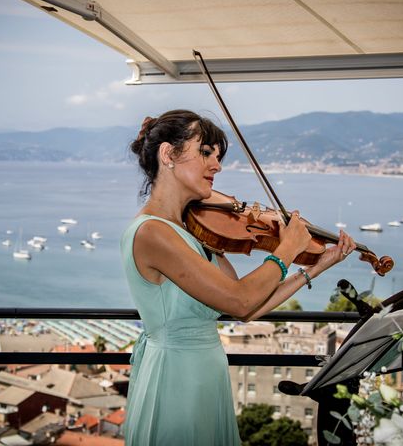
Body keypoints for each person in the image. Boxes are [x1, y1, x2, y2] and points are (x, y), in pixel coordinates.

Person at [120, 109, 356, 445]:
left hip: (203, 371)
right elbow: (240, 297)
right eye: (205, 153)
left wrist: (315, 268)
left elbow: (248, 308)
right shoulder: (152, 234)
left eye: (217, 157)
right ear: (168, 155)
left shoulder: (189, 230)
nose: (216, 166)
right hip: (177, 377)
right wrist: (286, 248)